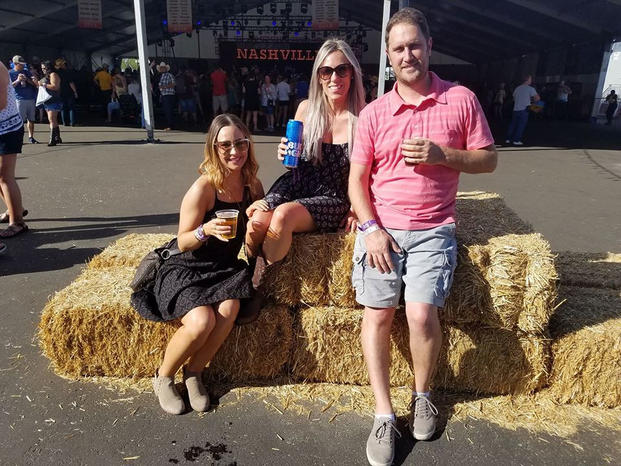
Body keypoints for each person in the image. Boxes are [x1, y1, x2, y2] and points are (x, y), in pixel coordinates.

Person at [347, 8, 497, 465]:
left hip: (434, 228)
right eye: (398, 48)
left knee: (419, 314)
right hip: (382, 230)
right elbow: (356, 181)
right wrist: (370, 229)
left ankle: (423, 394)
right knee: (376, 316)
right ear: (388, 58)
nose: (407, 54)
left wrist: (444, 154)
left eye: (414, 45)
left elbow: (487, 160)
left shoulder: (461, 100)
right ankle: (384, 414)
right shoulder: (374, 113)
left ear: (429, 46)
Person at [130, 114, 264, 415]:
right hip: (188, 268)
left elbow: (257, 230)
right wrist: (207, 230)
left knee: (229, 310)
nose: (234, 151)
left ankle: (194, 373)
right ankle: (163, 376)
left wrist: (260, 217)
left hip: (223, 268)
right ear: (213, 148)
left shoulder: (252, 184)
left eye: (240, 143)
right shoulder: (204, 188)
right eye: (225, 145)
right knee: (202, 321)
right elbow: (181, 242)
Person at [239, 39, 366, 323]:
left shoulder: (365, 116)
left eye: (342, 70)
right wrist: (285, 153)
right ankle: (245, 272)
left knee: (281, 217)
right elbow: (292, 162)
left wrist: (357, 209)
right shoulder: (306, 109)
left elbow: (373, 171)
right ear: (318, 76)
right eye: (326, 71)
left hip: (333, 195)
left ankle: (259, 288)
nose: (335, 78)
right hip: (297, 181)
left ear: (353, 73)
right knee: (258, 220)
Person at [0, 60, 28, 239]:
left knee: (5, 176)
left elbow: (1, 102)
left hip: (7, 129)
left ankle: (17, 222)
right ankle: (15, 209)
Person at [8, 55, 39, 143]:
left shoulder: (26, 72)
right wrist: (18, 80)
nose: (22, 66)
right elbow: (8, 87)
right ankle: (19, 138)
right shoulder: (10, 73)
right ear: (15, 64)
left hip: (30, 98)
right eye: (20, 64)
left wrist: (28, 79)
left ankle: (31, 137)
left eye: (23, 64)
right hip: (19, 99)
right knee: (20, 121)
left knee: (31, 119)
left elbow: (34, 84)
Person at [505, 74, 539, 146]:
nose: (531, 81)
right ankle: (516, 140)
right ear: (527, 80)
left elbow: (514, 98)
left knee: (513, 124)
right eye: (530, 79)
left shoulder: (517, 88)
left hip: (515, 109)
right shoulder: (530, 89)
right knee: (521, 125)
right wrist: (531, 101)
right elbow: (537, 98)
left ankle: (508, 139)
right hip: (524, 109)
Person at [39, 60, 63, 147]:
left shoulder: (53, 74)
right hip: (48, 100)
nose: (43, 70)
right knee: (53, 120)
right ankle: (57, 138)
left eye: (45, 68)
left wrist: (43, 84)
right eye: (42, 68)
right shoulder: (47, 75)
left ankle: (52, 140)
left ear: (49, 67)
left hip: (54, 100)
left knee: (52, 119)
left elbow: (55, 87)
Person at [55, 58, 78, 127]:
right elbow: (71, 83)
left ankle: (65, 123)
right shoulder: (67, 72)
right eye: (65, 64)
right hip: (69, 92)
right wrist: (75, 91)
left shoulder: (56, 73)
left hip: (60, 92)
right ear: (62, 64)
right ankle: (72, 123)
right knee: (71, 108)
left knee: (63, 108)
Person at [157, 62, 176, 131]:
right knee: (166, 110)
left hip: (169, 95)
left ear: (166, 69)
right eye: (161, 68)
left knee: (168, 110)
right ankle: (170, 124)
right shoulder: (161, 76)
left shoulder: (169, 75)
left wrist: (164, 87)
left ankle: (171, 125)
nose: (162, 69)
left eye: (163, 68)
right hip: (164, 95)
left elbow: (173, 84)